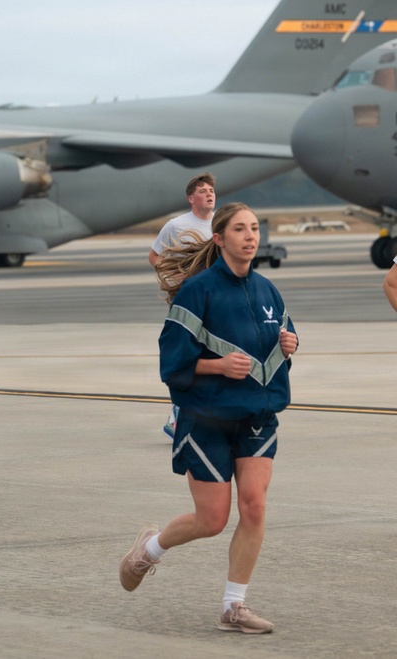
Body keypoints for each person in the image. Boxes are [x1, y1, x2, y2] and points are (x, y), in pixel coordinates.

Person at [119, 203, 298, 634]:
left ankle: (233, 607)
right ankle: (150, 548)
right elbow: (172, 362)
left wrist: (290, 344)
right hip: (206, 418)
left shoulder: (269, 290)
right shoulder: (197, 291)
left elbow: (273, 350)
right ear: (219, 238)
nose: (250, 236)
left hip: (256, 416)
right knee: (212, 520)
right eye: (240, 229)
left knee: (254, 507)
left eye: (255, 228)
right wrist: (217, 367)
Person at [149, 172, 217, 439]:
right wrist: (173, 275)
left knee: (212, 355)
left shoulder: (222, 223)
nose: (209, 193)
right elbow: (154, 255)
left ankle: (195, 413)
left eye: (211, 190)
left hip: (215, 299)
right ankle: (178, 414)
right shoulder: (176, 226)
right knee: (186, 355)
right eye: (202, 190)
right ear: (191, 198)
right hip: (186, 299)